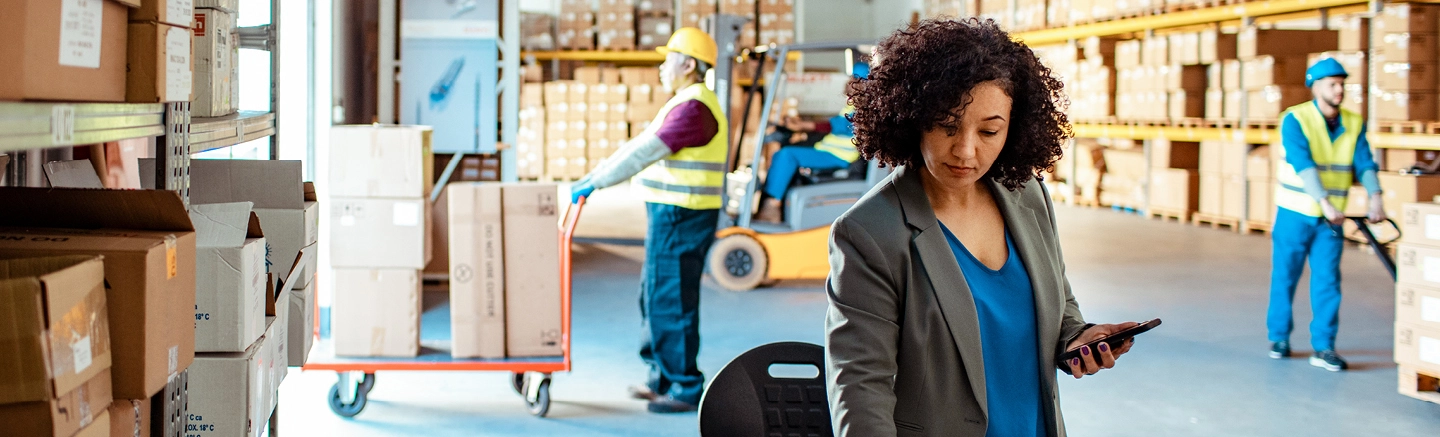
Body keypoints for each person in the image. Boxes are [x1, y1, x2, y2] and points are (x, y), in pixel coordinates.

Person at [824, 18, 1142, 436]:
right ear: (913, 117)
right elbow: (860, 390)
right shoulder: (869, 233)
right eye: (947, 126)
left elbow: (1059, 303)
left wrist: (1076, 338)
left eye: (990, 130)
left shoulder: (1026, 195)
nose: (966, 150)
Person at [567, 27, 726, 414]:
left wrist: (596, 182)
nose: (661, 66)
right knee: (654, 295)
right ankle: (663, 378)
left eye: (668, 58)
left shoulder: (694, 108)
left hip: (682, 214)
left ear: (688, 64)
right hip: (673, 213)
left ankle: (685, 387)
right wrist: (596, 174)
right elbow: (639, 146)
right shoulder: (685, 102)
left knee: (670, 299)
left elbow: (644, 153)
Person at [1266, 58, 1384, 372]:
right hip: (1295, 213)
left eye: (1342, 83)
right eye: (1332, 83)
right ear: (1315, 86)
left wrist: (1376, 197)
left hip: (1329, 222)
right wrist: (1325, 202)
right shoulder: (1295, 119)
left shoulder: (1354, 122)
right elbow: (1302, 163)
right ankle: (1279, 338)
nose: (1340, 89)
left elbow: (1365, 162)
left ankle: (1324, 346)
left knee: (1328, 282)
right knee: (1285, 277)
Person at [754, 65, 868, 223]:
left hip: (840, 157)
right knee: (792, 150)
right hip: (830, 152)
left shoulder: (865, 110)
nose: (849, 82)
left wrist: (804, 125)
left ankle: (772, 207)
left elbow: (839, 125)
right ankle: (776, 206)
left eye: (855, 78)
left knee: (787, 155)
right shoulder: (852, 105)